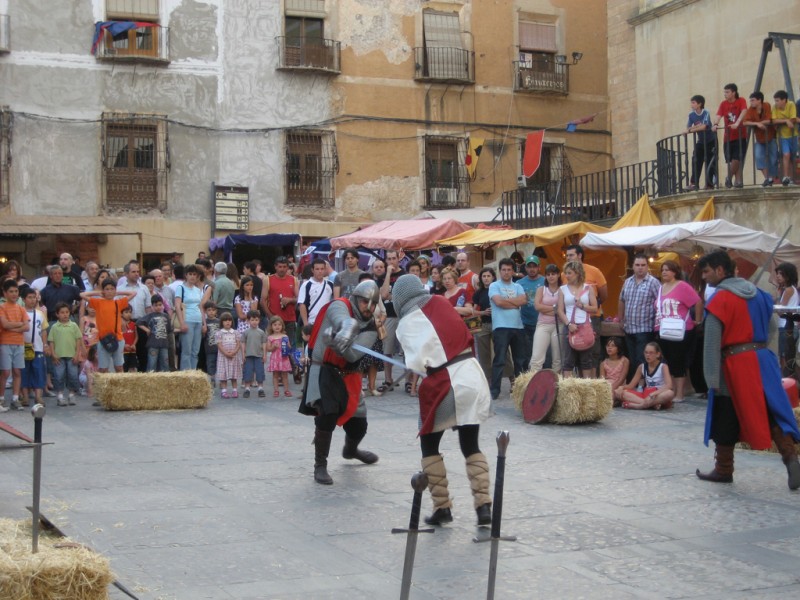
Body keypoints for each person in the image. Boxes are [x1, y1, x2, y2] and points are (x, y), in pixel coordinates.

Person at [392, 274, 493, 526]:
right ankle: (484, 507)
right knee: (470, 443)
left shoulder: (405, 323)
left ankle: (442, 507)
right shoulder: (441, 301)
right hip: (471, 373)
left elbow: (415, 363)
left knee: (429, 445)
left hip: (445, 381)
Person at [696, 250, 800, 489]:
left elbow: (712, 342)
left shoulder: (719, 299)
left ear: (720, 270)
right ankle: (791, 458)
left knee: (726, 413)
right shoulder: (762, 295)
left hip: (733, 365)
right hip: (763, 360)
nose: (704, 276)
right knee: (770, 411)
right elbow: (772, 328)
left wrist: (711, 378)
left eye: (707, 271)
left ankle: (724, 469)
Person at [299, 280, 381, 485]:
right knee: (326, 417)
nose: (368, 308)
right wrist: (346, 328)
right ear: (356, 299)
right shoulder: (340, 305)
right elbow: (340, 318)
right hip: (324, 369)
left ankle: (351, 450)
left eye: (373, 304)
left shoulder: (370, 326)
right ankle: (320, 465)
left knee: (359, 425)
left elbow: (353, 355)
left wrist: (338, 346)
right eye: (364, 302)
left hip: (349, 374)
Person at [655, 261, 703, 402]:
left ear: (675, 272)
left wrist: (698, 320)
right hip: (664, 329)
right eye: (663, 270)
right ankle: (673, 391)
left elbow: (697, 301)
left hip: (680, 329)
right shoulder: (661, 288)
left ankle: (680, 393)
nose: (664, 272)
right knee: (669, 360)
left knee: (678, 360)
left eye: (668, 270)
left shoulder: (682, 286)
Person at [489, 258, 527, 399]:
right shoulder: (494, 286)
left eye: (509, 269)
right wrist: (514, 303)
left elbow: (524, 300)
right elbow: (498, 302)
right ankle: (495, 391)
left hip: (518, 326)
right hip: (501, 327)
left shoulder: (518, 286)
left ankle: (518, 390)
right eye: (503, 269)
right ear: (500, 271)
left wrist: (507, 302)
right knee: (499, 360)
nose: (506, 272)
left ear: (513, 271)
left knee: (520, 360)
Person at [564, 245, 607, 370]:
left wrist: (589, 307)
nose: (568, 258)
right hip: (572, 320)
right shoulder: (564, 274)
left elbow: (604, 295)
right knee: (573, 351)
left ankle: (592, 384)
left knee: (592, 352)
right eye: (567, 255)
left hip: (592, 317)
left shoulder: (594, 271)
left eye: (571, 255)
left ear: (579, 255)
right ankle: (579, 384)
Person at [80, 281, 137, 374]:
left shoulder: (118, 302)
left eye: (112, 289)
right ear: (103, 291)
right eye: (107, 289)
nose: (109, 291)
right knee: (103, 368)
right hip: (103, 339)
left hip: (117, 338)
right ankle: (104, 388)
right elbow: (82, 294)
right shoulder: (98, 302)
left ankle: (120, 387)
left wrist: (117, 293)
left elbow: (133, 293)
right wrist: (98, 293)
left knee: (118, 367)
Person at [618, 253, 660, 374]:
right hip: (629, 328)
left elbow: (659, 303)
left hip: (645, 328)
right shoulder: (627, 282)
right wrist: (620, 319)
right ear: (633, 266)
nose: (640, 267)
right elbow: (621, 300)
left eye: (643, 265)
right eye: (637, 265)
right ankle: (636, 386)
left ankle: (643, 386)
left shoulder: (653, 282)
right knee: (632, 359)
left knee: (642, 359)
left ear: (647, 266)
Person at [556, 261, 598, 379]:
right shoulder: (562, 289)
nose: (567, 276)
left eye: (570, 273)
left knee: (586, 360)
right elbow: (560, 310)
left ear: (578, 273)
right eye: (566, 273)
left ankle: (586, 386)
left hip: (585, 325)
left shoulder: (588, 288)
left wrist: (583, 306)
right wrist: (568, 324)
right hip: (570, 326)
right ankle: (569, 388)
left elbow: (595, 308)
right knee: (568, 360)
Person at [616, 341, 675, 410]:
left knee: (670, 393)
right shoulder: (641, 367)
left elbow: (669, 385)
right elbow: (631, 386)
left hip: (658, 395)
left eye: (651, 353)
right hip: (646, 395)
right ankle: (652, 405)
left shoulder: (663, 366)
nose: (647, 355)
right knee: (620, 392)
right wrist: (621, 387)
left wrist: (655, 393)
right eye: (646, 352)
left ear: (658, 354)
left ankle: (639, 406)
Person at [0, 280, 30, 412]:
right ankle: (1, 398)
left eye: (16, 291)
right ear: (5, 293)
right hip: (5, 342)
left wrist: (14, 326)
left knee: (17, 371)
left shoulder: (21, 308)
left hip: (19, 343)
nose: (14, 294)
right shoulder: (2, 308)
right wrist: (19, 324)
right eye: (11, 291)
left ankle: (15, 398)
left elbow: (27, 326)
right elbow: (4, 325)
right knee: (6, 372)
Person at [47, 302, 85, 407]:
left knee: (72, 375)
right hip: (59, 356)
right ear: (57, 314)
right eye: (62, 312)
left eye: (67, 312)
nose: (65, 315)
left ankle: (72, 394)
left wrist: (77, 354)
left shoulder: (73, 325)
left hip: (71, 356)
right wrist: (53, 354)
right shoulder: (54, 327)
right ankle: (60, 395)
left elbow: (78, 340)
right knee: (59, 376)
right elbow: (51, 341)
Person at [712, 83, 748, 188]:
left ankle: (729, 177)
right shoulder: (723, 104)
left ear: (734, 92)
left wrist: (737, 123)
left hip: (740, 135)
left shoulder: (741, 100)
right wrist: (715, 124)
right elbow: (718, 115)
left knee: (737, 158)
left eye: (727, 92)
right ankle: (738, 182)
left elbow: (744, 111)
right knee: (731, 160)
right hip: (728, 137)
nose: (725, 94)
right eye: (725, 92)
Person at [530, 263, 563, 374]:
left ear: (558, 275)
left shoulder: (563, 290)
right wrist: (555, 309)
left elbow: (563, 309)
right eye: (548, 274)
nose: (551, 277)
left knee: (557, 358)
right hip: (543, 324)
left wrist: (547, 309)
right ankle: (533, 382)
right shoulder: (541, 289)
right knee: (537, 357)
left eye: (553, 274)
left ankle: (556, 385)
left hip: (559, 325)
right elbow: (537, 306)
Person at [378, 250, 404, 389]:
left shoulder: (404, 275)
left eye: (394, 258)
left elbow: (402, 296)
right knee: (387, 349)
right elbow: (382, 295)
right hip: (388, 315)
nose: (391, 261)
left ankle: (409, 381)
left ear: (398, 259)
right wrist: (388, 273)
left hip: (402, 315)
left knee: (406, 349)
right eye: (389, 259)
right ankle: (388, 379)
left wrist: (392, 296)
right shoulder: (382, 276)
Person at [742, 91, 778, 187]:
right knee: (758, 157)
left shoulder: (767, 106)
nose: (751, 102)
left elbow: (769, 119)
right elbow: (745, 122)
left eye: (753, 100)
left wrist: (760, 122)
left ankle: (772, 178)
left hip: (770, 136)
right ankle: (768, 178)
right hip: (759, 138)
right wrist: (757, 124)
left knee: (773, 158)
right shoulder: (751, 110)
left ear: (759, 100)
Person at [20, 286, 48, 409]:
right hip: (24, 347)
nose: (32, 300)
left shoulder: (40, 313)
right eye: (29, 298)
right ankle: (25, 395)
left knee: (38, 371)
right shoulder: (20, 312)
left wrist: (45, 344)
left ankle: (38, 395)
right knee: (24, 371)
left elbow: (43, 330)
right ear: (24, 299)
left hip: (37, 347)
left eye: (34, 297)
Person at [174, 264, 204, 370]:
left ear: (197, 276)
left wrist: (204, 323)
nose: (192, 276)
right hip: (187, 320)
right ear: (186, 275)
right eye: (190, 274)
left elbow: (200, 307)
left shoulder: (197, 290)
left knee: (195, 351)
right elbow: (177, 306)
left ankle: (194, 373)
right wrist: (182, 323)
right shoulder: (180, 288)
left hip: (198, 320)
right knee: (187, 350)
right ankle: (186, 374)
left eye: (194, 274)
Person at [518, 255, 545, 369]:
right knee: (528, 353)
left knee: (544, 353)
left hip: (542, 322)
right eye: (529, 266)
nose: (532, 269)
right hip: (525, 323)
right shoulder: (519, 283)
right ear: (526, 268)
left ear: (539, 267)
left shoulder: (545, 281)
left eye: (534, 266)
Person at [685, 94, 717, 189]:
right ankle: (694, 183)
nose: (692, 105)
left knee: (710, 162)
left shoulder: (705, 112)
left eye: (693, 103)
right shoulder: (691, 115)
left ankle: (709, 184)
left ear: (700, 104)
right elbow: (688, 127)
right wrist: (694, 128)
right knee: (696, 160)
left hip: (711, 140)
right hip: (701, 141)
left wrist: (692, 129)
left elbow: (704, 126)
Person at [137, 295, 172, 372]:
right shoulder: (150, 316)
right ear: (152, 306)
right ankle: (150, 380)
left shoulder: (166, 316)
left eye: (160, 305)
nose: (158, 307)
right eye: (155, 305)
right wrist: (147, 330)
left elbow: (169, 330)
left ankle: (165, 379)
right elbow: (138, 322)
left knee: (165, 364)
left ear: (163, 305)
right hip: (153, 344)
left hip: (164, 344)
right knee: (152, 364)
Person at [774, 262, 798, 374]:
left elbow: (780, 311)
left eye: (780, 273)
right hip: (789, 327)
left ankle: (785, 380)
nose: (778, 276)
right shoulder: (792, 289)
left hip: (786, 327)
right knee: (788, 355)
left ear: (787, 275)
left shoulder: (788, 290)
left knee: (784, 356)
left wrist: (778, 295)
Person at [298, 258, 334, 328]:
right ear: (312, 270)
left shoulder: (330, 284)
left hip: (327, 323)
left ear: (325, 270)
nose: (320, 271)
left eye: (322, 269)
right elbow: (302, 304)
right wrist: (306, 324)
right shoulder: (306, 285)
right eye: (317, 269)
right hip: (311, 322)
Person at [772, 90, 797, 186]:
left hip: (793, 134)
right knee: (786, 155)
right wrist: (786, 121)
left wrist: (782, 121)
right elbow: (774, 120)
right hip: (782, 136)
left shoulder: (790, 104)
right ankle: (786, 176)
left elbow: (793, 118)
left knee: (792, 157)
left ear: (784, 100)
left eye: (778, 100)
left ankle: (791, 178)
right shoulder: (774, 108)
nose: (776, 103)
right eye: (775, 101)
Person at [241, 310, 268, 399]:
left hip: (259, 356)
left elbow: (264, 343)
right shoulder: (246, 332)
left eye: (256, 320)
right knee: (248, 372)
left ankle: (260, 388)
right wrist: (243, 354)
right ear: (248, 321)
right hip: (248, 356)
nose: (254, 322)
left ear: (259, 320)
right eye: (252, 320)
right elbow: (243, 343)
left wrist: (264, 354)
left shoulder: (261, 332)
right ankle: (247, 389)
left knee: (260, 372)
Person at [215, 312, 242, 399]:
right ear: (221, 322)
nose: (228, 322)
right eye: (225, 320)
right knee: (224, 375)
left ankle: (234, 390)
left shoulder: (236, 332)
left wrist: (234, 352)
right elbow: (219, 345)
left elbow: (238, 344)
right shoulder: (219, 333)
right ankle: (224, 391)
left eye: (229, 320)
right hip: (223, 357)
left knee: (234, 375)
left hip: (234, 357)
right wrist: (226, 353)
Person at [266, 314, 292, 398]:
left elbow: (289, 347)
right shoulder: (270, 337)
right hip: (275, 358)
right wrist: (273, 347)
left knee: (285, 375)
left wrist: (287, 346)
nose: (277, 327)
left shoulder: (285, 336)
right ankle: (276, 390)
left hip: (283, 358)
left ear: (282, 326)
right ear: (271, 326)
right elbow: (268, 348)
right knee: (275, 375)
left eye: (279, 325)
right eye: (275, 325)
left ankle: (286, 390)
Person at [601, 337, 630, 406]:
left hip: (619, 385)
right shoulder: (603, 363)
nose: (609, 348)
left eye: (613, 346)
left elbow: (622, 379)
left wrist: (612, 388)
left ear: (618, 348)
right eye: (608, 346)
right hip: (607, 385)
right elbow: (602, 379)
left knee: (614, 395)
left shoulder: (625, 360)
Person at [202, 302, 220, 386]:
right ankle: (212, 378)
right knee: (210, 363)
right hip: (209, 348)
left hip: (219, 348)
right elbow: (203, 335)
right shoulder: (205, 322)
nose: (211, 312)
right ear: (205, 311)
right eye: (209, 310)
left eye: (213, 310)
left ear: (216, 311)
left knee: (219, 364)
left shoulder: (219, 322)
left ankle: (220, 379)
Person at [121, 305, 138, 373]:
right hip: (123, 352)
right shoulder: (119, 325)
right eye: (126, 312)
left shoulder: (134, 324)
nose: (129, 314)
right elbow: (117, 337)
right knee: (123, 369)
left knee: (133, 369)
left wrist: (134, 344)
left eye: (130, 312)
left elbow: (136, 336)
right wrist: (124, 345)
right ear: (121, 314)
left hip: (132, 351)